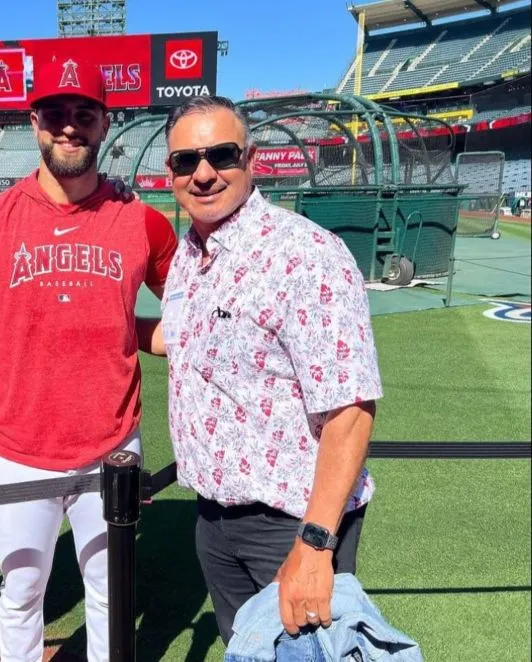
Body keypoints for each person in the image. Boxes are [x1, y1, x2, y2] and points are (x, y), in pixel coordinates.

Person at [0, 58, 178, 662]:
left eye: (84, 114)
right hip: (21, 449)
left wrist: (131, 334)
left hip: (113, 447)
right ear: (34, 121)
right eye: (55, 113)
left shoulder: (142, 221)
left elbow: (191, 315)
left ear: (106, 123)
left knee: (110, 595)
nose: (69, 127)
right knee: (22, 593)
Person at [157, 96, 383, 644]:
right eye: (186, 160)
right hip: (214, 518)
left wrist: (314, 543)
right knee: (249, 652)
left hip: (292, 522)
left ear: (251, 158)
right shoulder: (191, 253)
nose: (204, 173)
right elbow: (179, 337)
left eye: (221, 154)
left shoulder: (306, 253)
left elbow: (351, 409)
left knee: (307, 655)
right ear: (170, 174)